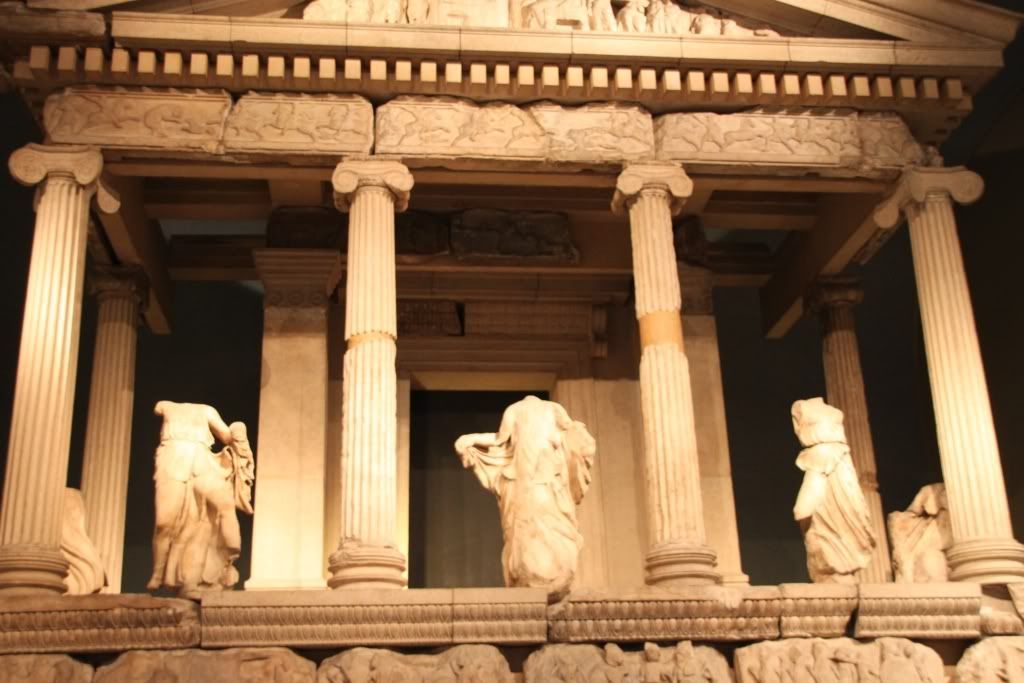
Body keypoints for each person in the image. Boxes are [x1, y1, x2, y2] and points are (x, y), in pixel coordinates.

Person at [455, 395, 595, 601]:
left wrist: (470, 439)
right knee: (542, 528)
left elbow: (500, 440)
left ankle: (543, 577)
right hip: (541, 482)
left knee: (532, 528)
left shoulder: (515, 410)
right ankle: (543, 577)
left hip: (532, 481)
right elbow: (571, 437)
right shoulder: (553, 410)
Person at [147, 401, 254, 599]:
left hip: (200, 460)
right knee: (165, 522)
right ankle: (159, 572)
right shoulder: (165, 406)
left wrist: (239, 430)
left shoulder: (207, 411)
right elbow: (157, 408)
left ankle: (190, 579)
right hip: (172, 458)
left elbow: (227, 436)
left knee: (199, 524)